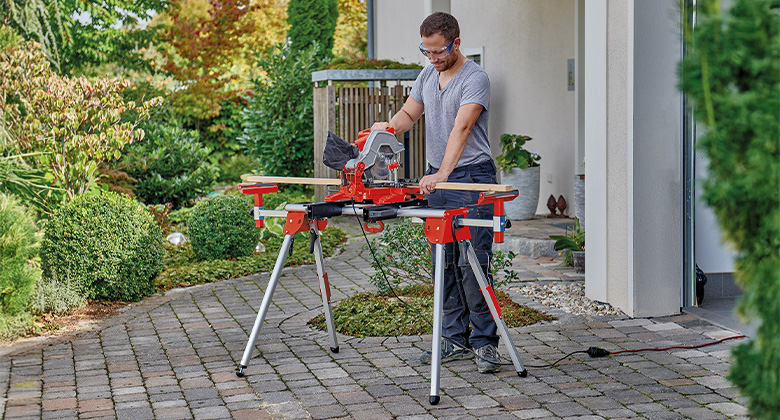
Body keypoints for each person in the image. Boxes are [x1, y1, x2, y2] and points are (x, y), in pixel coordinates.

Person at [370, 12, 500, 374]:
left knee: (472, 262)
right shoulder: (428, 74)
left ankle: (486, 344)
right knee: (442, 262)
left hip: (470, 178)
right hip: (437, 179)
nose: (432, 59)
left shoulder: (476, 79)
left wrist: (441, 175)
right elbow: (409, 115)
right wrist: (387, 128)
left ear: (456, 43)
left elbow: (463, 127)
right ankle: (453, 338)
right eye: (425, 51)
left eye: (438, 51)